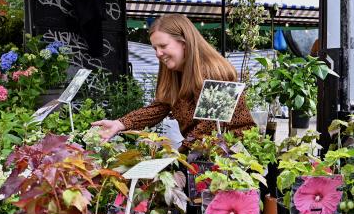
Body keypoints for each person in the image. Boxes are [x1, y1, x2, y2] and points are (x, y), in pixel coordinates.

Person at [92, 14, 255, 148]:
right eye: (155, 48)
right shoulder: (175, 73)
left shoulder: (216, 72)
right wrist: (120, 124)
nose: (158, 53)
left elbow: (210, 126)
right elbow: (159, 107)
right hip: (203, 152)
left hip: (234, 153)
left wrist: (178, 157)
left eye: (163, 46)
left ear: (184, 43)